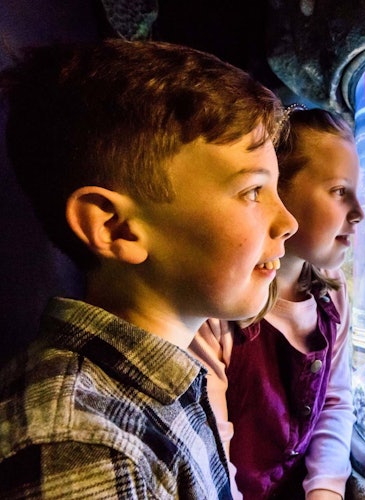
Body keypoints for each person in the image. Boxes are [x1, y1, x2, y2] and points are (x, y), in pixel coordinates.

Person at [0, 39, 298, 498]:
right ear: (116, 227)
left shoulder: (168, 373)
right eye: (253, 191)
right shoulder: (84, 450)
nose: (289, 221)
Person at [190, 107, 365, 500]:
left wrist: (325, 490)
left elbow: (335, 402)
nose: (359, 213)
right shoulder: (217, 310)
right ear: (275, 191)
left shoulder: (333, 292)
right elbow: (208, 450)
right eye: (340, 192)